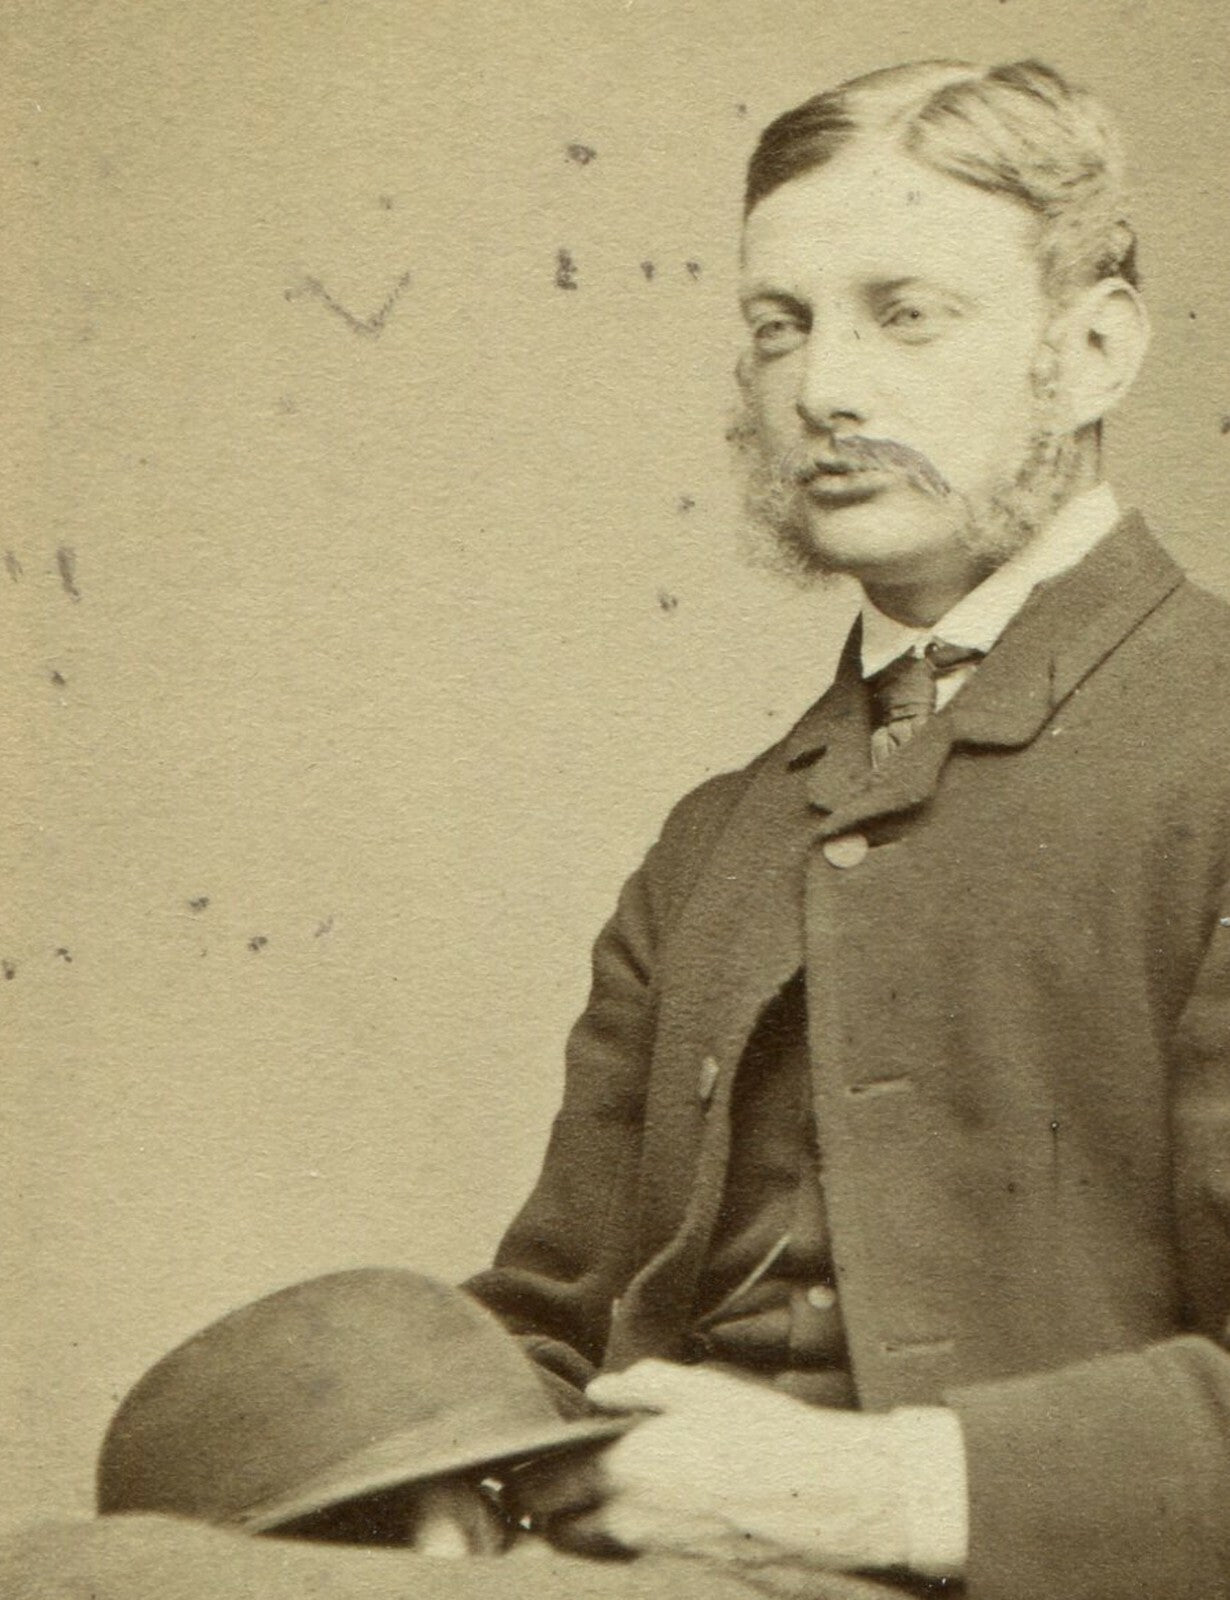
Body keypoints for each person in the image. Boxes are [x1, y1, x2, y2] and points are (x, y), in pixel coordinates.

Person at [7, 54, 1230, 1600]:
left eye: (903, 312)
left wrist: (869, 1493)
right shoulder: (721, 839)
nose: (822, 390)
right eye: (777, 326)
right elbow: (560, 1314)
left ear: (1096, 346)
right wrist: (440, 1480)